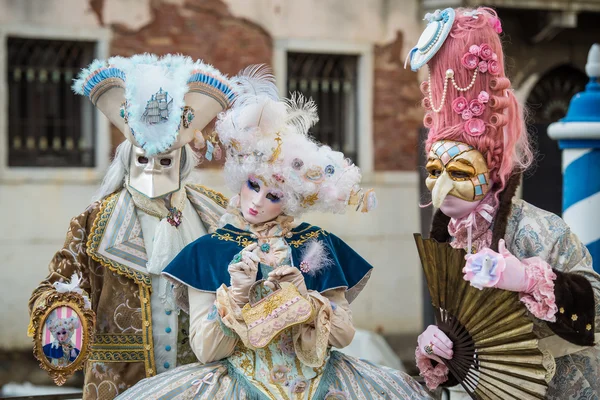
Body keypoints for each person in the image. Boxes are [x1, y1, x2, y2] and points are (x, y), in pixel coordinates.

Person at [115, 67, 432, 400]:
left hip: (321, 383)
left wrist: (309, 302)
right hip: (239, 383)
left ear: (292, 200)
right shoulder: (208, 250)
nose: (257, 202)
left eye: (274, 196)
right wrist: (235, 296)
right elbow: (206, 350)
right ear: (242, 178)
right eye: (254, 186)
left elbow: (343, 335)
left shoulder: (315, 244)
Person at [406, 7, 600, 397]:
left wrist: (527, 278)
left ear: (491, 169)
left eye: (459, 172)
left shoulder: (541, 230)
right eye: (433, 170)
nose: (440, 186)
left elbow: (595, 308)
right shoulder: (455, 239)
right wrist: (436, 347)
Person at [28, 54, 234, 399]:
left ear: (182, 160)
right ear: (128, 157)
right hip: (123, 384)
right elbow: (58, 284)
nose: (153, 169)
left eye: (165, 159)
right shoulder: (95, 219)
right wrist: (63, 309)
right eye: (143, 158)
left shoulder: (218, 215)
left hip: (203, 384)